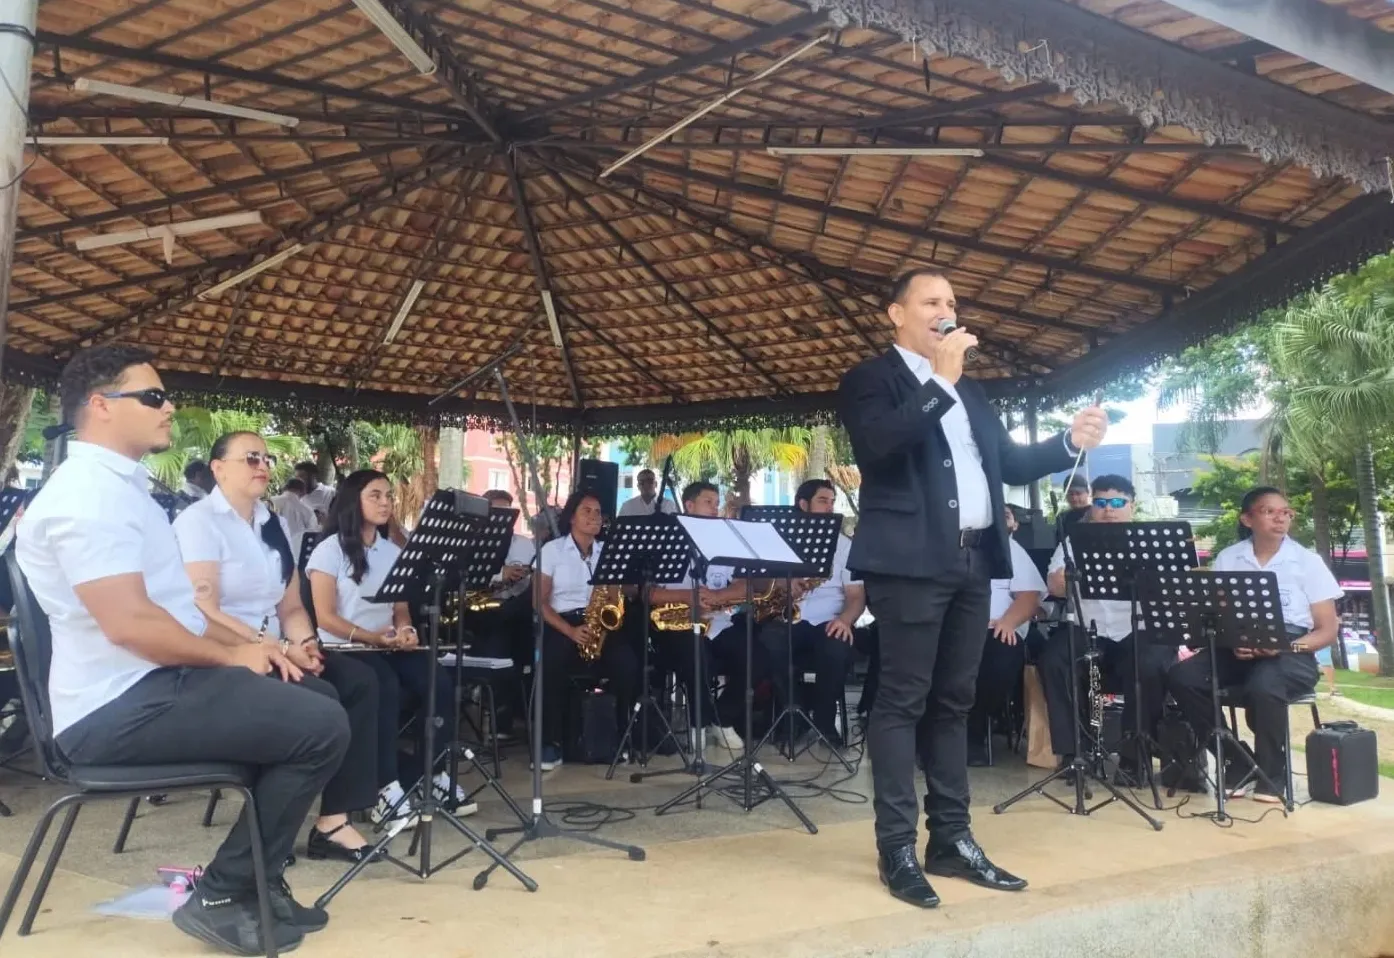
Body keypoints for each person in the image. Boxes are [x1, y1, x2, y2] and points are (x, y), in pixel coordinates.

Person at [16, 344, 349, 955]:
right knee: (320, 723)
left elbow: (168, 614)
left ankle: (256, 880)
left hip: (151, 685)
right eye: (152, 396)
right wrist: (234, 655)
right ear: (100, 407)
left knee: (313, 694)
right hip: (112, 708)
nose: (169, 406)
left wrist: (261, 650)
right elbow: (131, 625)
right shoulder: (85, 495)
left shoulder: (120, 488)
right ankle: (226, 890)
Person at [837, 268, 1106, 909]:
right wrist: (941, 382)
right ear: (894, 314)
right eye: (932, 301)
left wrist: (1068, 441)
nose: (946, 311)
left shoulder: (972, 393)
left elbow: (1007, 464)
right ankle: (896, 845)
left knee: (954, 702)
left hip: (970, 563)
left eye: (953, 301)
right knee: (902, 700)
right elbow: (879, 446)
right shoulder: (872, 380)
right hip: (907, 564)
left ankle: (951, 839)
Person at [174, 431, 397, 861]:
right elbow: (202, 611)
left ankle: (333, 820)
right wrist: (272, 646)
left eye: (266, 458)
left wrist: (307, 643)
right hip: (226, 653)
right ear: (218, 468)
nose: (262, 465)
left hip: (277, 646)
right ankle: (271, 822)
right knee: (321, 699)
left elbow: (292, 604)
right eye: (250, 458)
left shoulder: (270, 521)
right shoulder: (199, 522)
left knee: (360, 681)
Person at [306, 469, 472, 817]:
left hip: (385, 645)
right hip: (343, 650)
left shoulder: (391, 551)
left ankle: (435, 773)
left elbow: (400, 607)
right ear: (354, 501)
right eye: (375, 495)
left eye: (388, 496)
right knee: (384, 684)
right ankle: (384, 786)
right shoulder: (328, 551)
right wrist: (371, 637)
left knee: (438, 680)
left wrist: (407, 629)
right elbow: (324, 617)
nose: (385, 503)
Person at [1167, 487, 1340, 803]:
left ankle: (1272, 775)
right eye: (1269, 511)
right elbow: (1215, 615)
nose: (1280, 517)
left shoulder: (1307, 561)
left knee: (1264, 684)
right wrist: (1231, 640)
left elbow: (1327, 630)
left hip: (1292, 649)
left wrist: (1284, 648)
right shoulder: (1229, 558)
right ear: (1247, 519)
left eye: (1285, 512)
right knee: (1182, 677)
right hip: (1237, 644)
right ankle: (1235, 760)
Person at [1038, 476, 1175, 777]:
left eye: (1117, 503)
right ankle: (1075, 752)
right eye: (1101, 503)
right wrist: (1076, 570)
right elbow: (1055, 586)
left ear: (1131, 506)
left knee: (1150, 665)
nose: (1109, 511)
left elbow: (1171, 591)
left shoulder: (1152, 542)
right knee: (1054, 659)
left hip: (1138, 630)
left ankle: (1134, 755)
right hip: (1090, 630)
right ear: (1092, 506)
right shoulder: (1073, 542)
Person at [647, 481, 760, 752]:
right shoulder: (667, 541)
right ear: (689, 505)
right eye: (708, 502)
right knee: (695, 657)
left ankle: (722, 718)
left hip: (717, 620)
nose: (715, 508)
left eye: (716, 502)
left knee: (758, 657)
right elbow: (649, 594)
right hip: (677, 624)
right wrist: (690, 597)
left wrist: (719, 597)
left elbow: (745, 585)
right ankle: (698, 723)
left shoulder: (724, 539)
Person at [535, 488, 641, 770]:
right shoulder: (552, 550)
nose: (594, 517)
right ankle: (550, 742)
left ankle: (618, 736)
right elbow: (539, 603)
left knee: (627, 665)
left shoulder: (608, 551)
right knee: (552, 664)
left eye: (598, 512)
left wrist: (620, 592)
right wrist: (570, 632)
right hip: (563, 622)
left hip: (600, 623)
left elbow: (617, 596)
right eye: (587, 511)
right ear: (572, 517)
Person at [759, 479, 863, 748]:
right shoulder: (779, 541)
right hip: (790, 617)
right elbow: (760, 586)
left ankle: (826, 723)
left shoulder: (844, 545)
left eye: (831, 502)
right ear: (803, 505)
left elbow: (856, 597)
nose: (829, 508)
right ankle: (793, 715)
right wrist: (783, 584)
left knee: (836, 648)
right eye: (822, 501)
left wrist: (845, 620)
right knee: (769, 639)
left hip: (830, 619)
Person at [463, 488, 536, 737]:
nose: (503, 517)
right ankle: (499, 717)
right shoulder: (471, 542)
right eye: (496, 512)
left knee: (521, 621)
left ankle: (519, 713)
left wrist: (522, 576)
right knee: (499, 631)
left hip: (516, 611)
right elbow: (464, 579)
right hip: (482, 612)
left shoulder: (525, 545)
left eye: (507, 512)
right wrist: (499, 575)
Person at [270, 476, 319, 558]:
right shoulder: (308, 511)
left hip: (272, 553)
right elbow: (312, 534)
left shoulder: (271, 502)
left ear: (285, 487)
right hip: (296, 555)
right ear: (303, 492)